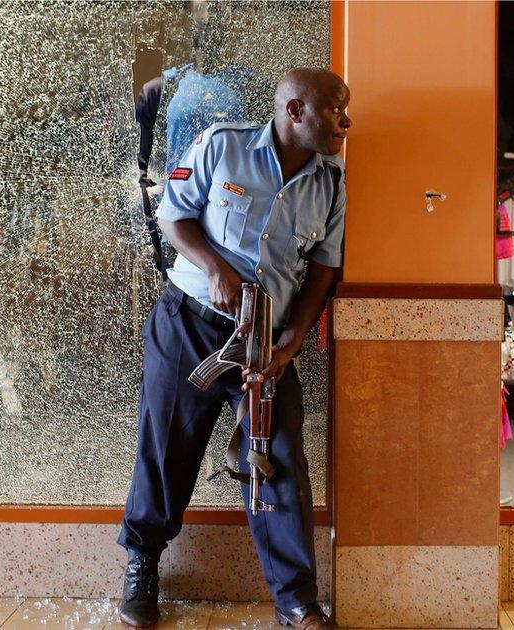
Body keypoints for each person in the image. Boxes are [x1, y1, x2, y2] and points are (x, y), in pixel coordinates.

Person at [116, 67, 351, 629]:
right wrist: (215, 269)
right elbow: (173, 216)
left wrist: (293, 338)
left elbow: (323, 267)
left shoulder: (332, 183)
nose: (347, 121)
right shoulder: (224, 146)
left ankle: (295, 599)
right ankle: (142, 567)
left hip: (265, 343)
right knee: (167, 445)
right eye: (336, 109)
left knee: (281, 463)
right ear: (295, 112)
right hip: (191, 324)